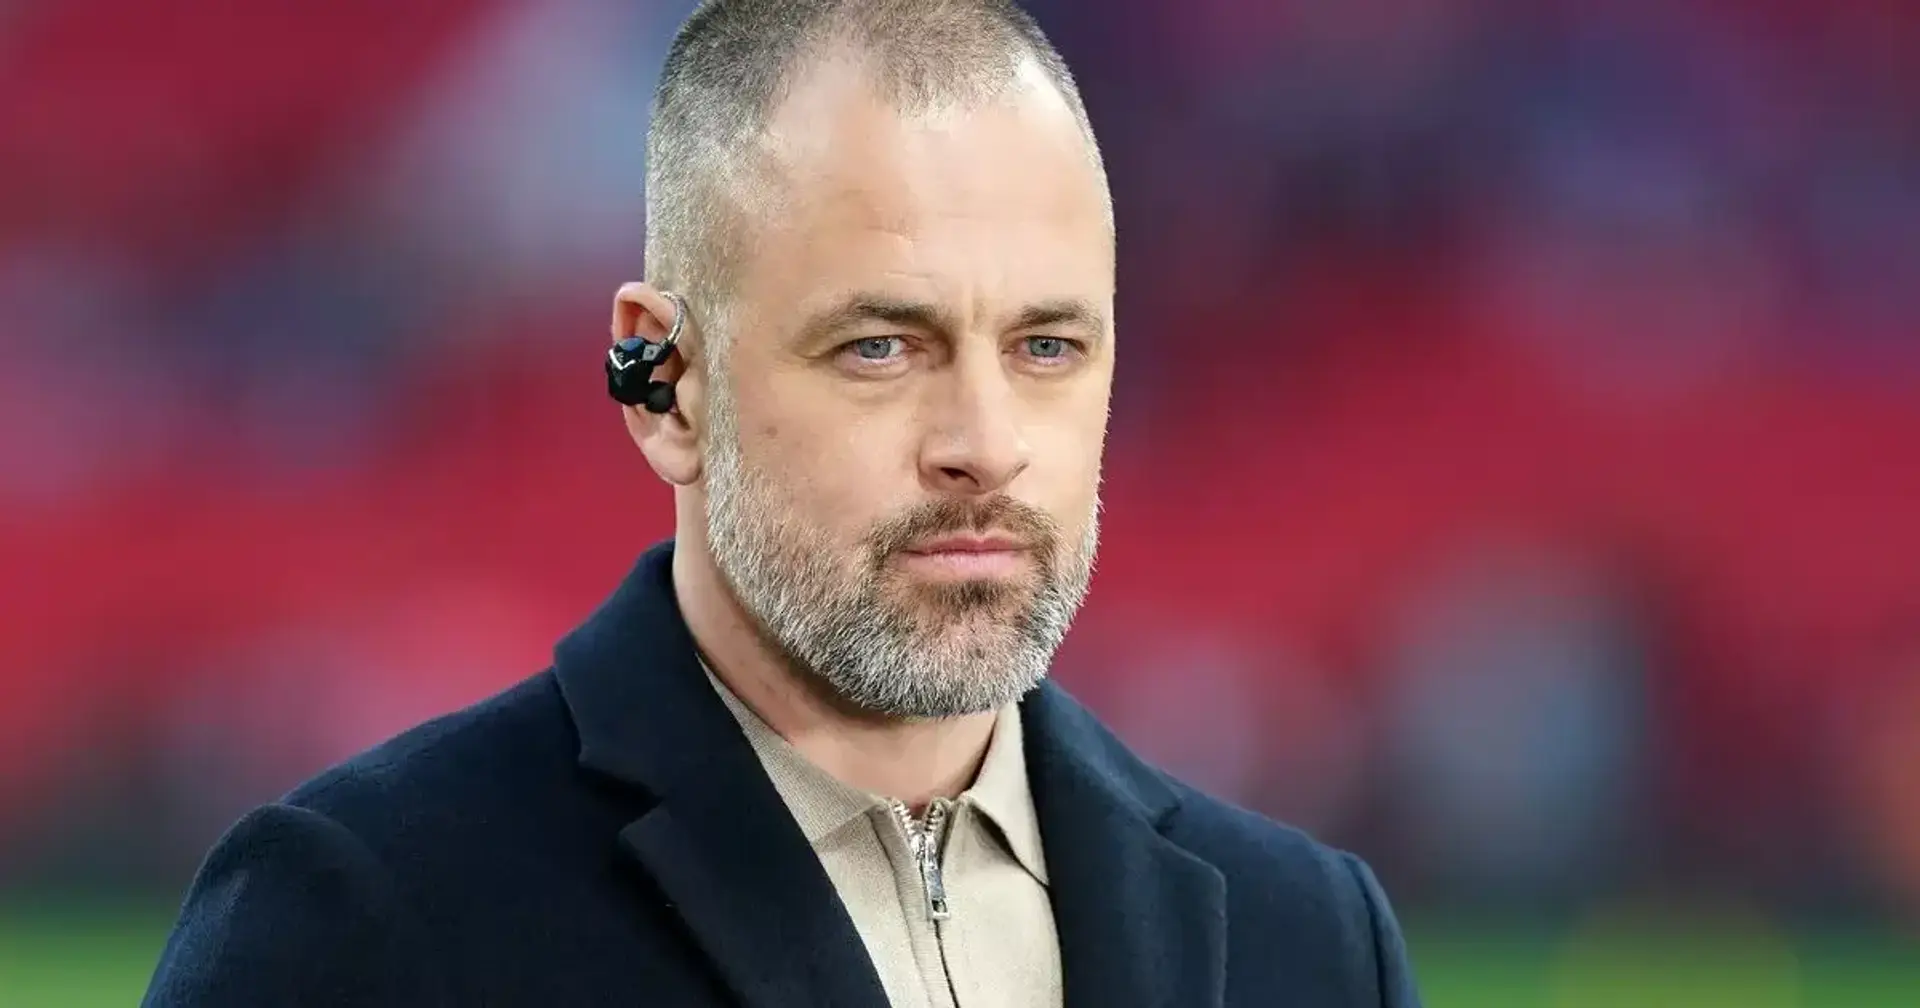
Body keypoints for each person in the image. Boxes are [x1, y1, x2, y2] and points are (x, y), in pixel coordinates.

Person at [143, 1, 1421, 1005]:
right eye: (881, 347)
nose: (984, 447)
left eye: (1047, 347)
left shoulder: (1314, 942)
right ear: (665, 383)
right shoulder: (366, 916)